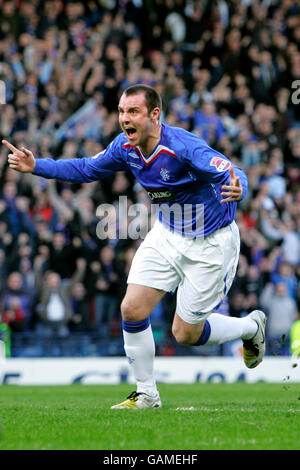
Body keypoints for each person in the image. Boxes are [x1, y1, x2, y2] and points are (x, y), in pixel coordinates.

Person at [2, 84, 266, 409]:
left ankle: (251, 326)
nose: (125, 119)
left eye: (133, 112)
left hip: (210, 244)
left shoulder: (181, 146)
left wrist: (238, 185)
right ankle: (146, 393)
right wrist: (37, 165)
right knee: (132, 308)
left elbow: (228, 169)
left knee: (185, 333)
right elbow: (86, 168)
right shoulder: (125, 148)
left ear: (154, 115)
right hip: (167, 233)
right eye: (121, 112)